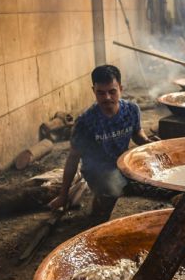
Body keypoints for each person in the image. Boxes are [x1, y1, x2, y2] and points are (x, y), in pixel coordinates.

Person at [50, 65, 154, 223]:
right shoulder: (85, 121)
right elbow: (73, 158)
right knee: (116, 190)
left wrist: (148, 143)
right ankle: (100, 204)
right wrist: (63, 195)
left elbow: (137, 134)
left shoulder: (132, 110)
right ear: (94, 90)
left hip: (124, 164)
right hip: (98, 171)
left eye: (112, 91)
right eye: (101, 92)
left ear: (120, 88)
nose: (107, 97)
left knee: (153, 181)